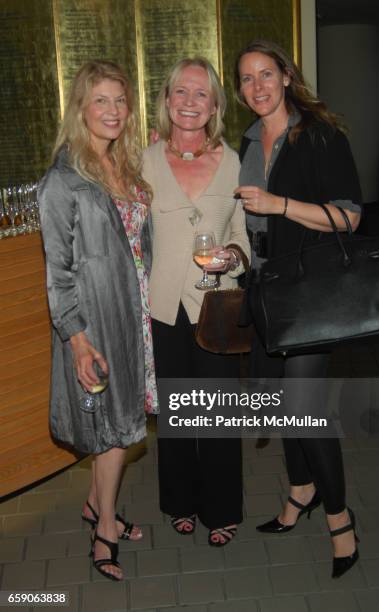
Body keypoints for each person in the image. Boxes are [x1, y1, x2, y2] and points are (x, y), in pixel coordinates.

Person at [234, 40, 362, 578]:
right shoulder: (244, 141)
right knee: (276, 402)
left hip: (310, 292)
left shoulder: (320, 135)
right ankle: (300, 490)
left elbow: (349, 218)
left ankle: (340, 522)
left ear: (286, 76)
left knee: (306, 411)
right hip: (264, 289)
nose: (257, 87)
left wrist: (279, 204)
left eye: (266, 74)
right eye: (246, 79)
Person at [39, 60, 158, 581]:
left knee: (122, 421)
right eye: (101, 100)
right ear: (81, 108)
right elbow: (58, 274)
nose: (113, 110)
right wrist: (78, 342)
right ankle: (104, 528)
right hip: (97, 323)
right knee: (112, 432)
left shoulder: (124, 165)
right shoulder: (63, 180)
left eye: (120, 100)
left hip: (136, 314)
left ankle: (94, 505)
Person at [143, 57, 250, 546]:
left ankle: (223, 507)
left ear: (214, 106)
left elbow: (243, 237)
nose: (189, 102)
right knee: (178, 413)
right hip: (164, 307)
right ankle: (180, 501)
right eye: (180, 92)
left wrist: (232, 255)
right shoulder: (142, 160)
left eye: (201, 94)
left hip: (217, 306)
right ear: (167, 100)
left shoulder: (233, 162)